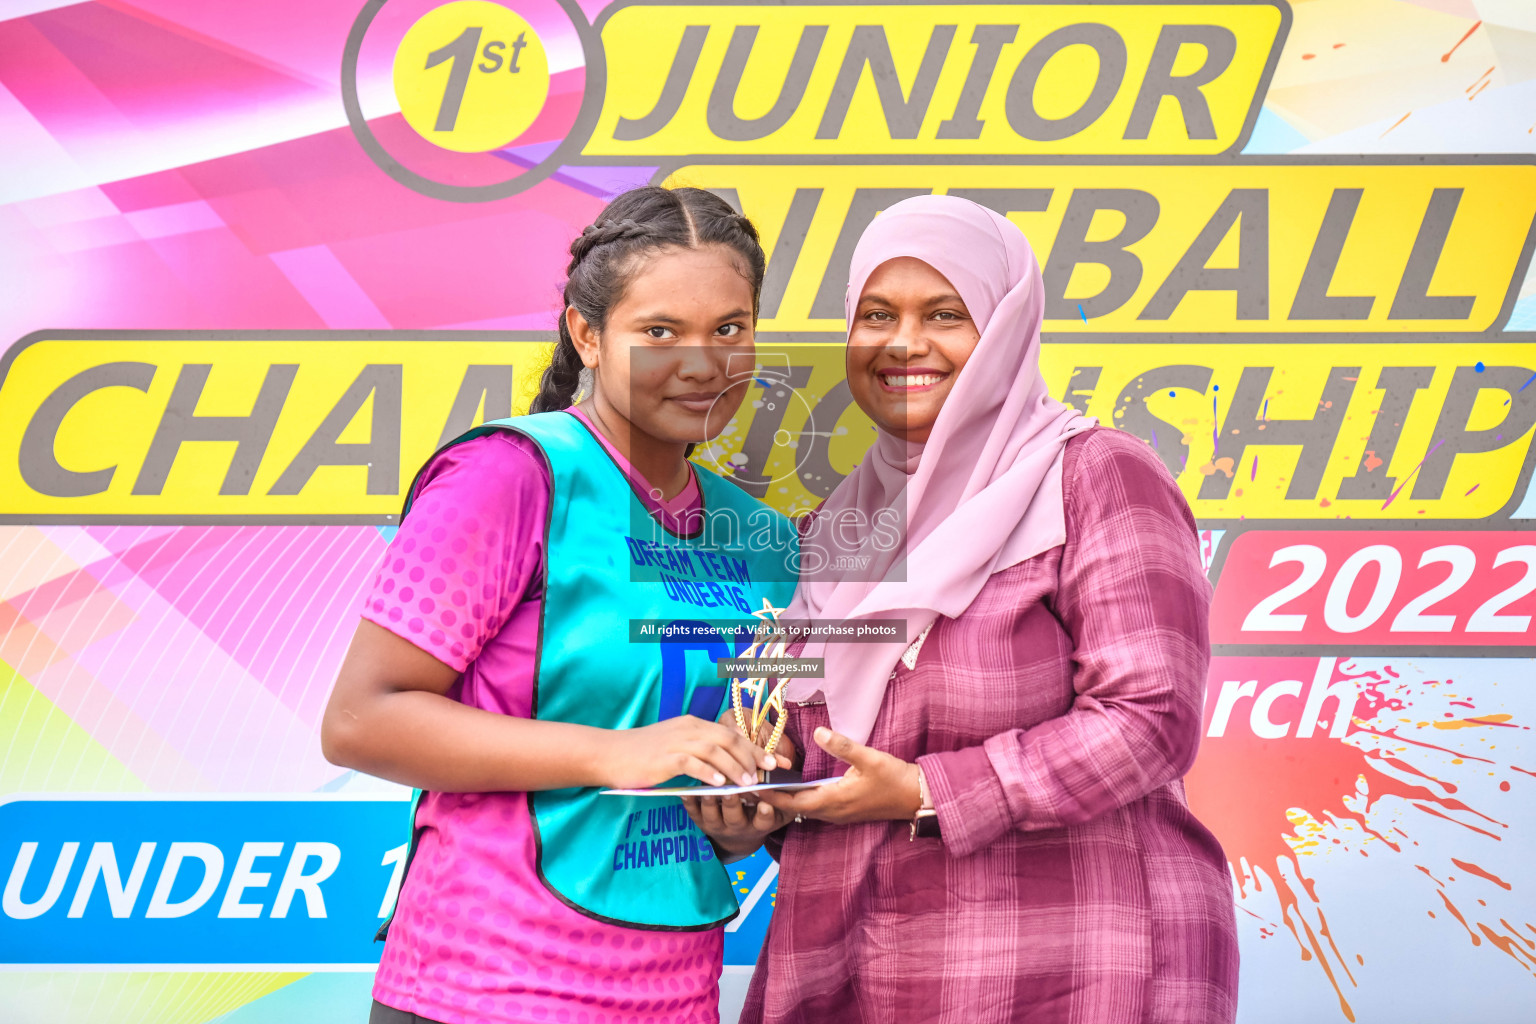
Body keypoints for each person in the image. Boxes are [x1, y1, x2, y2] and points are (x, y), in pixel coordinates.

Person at [686, 194, 1239, 1024]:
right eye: (877, 314)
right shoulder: (838, 525)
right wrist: (753, 805)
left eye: (945, 314)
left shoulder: (1095, 477)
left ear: (1006, 327)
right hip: (852, 964)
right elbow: (808, 743)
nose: (903, 342)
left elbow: (1150, 718)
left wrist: (925, 789)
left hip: (1068, 964)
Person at [322, 185, 799, 1024]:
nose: (701, 363)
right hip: (486, 985)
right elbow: (363, 719)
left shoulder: (761, 538)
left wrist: (741, 821)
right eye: (659, 332)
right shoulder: (510, 476)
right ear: (587, 333)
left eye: (729, 329)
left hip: (674, 991)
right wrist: (616, 753)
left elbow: (733, 757)